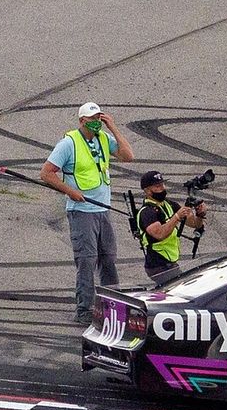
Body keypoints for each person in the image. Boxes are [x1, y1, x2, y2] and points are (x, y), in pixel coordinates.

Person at [40, 102, 134, 324]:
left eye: (99, 118)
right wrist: (70, 191)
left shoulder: (104, 139)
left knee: (108, 259)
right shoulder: (69, 143)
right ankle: (84, 309)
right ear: (82, 120)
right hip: (82, 211)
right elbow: (46, 173)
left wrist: (113, 128)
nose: (96, 122)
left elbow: (128, 156)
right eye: (92, 119)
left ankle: (113, 306)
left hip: (103, 209)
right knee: (87, 261)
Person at [136, 171, 207, 284]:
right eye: (157, 186)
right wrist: (177, 217)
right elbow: (159, 234)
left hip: (170, 262)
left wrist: (200, 214)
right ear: (147, 191)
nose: (162, 188)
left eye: (162, 184)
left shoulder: (169, 204)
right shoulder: (147, 212)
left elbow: (194, 224)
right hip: (158, 265)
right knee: (180, 287)